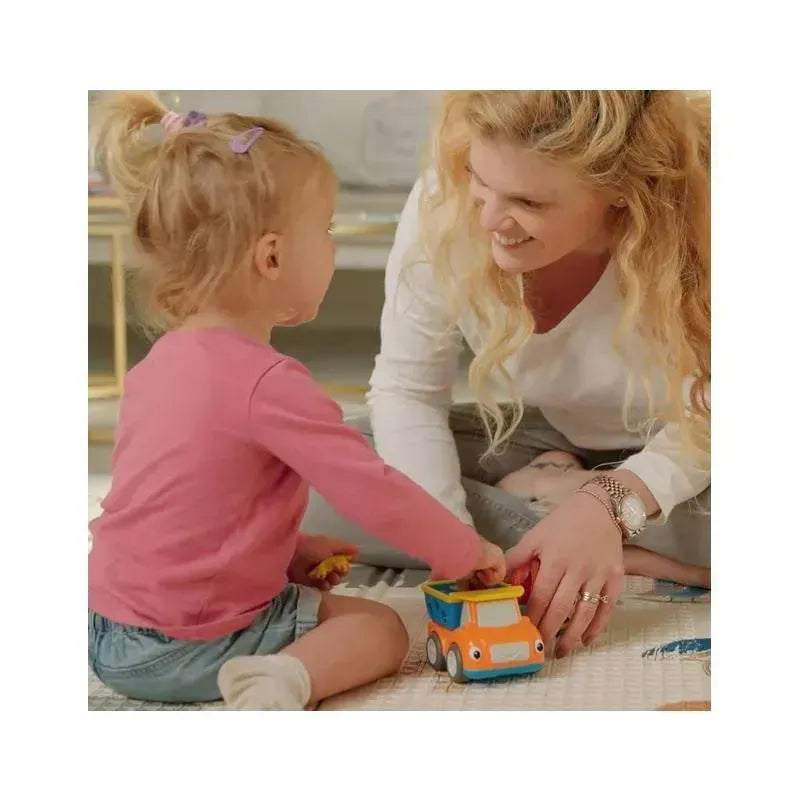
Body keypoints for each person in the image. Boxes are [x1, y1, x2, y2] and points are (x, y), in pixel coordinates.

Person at [87, 93, 505, 710]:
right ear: (273, 257)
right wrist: (465, 551)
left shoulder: (160, 363)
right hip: (185, 643)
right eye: (327, 230)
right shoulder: (270, 382)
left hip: (106, 630)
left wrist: (287, 551)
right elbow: (374, 490)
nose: (332, 245)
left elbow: (180, 504)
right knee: (381, 628)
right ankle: (279, 682)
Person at [302, 90, 711, 659]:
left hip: (694, 455)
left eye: (528, 201)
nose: (489, 219)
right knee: (299, 480)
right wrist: (450, 542)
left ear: (621, 190)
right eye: (480, 179)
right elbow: (407, 391)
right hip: (547, 437)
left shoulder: (707, 213)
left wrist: (607, 503)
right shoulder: (446, 200)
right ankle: (594, 535)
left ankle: (577, 520)